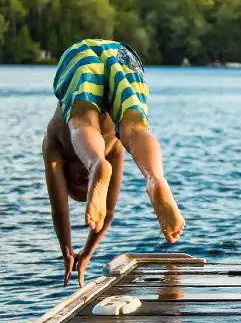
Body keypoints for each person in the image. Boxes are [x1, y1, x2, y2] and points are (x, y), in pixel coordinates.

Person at [43, 39, 185, 286]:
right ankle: (155, 178)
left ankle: (97, 162)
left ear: (66, 173)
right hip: (120, 53)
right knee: (134, 127)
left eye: (80, 181)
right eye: (88, 179)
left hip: (80, 55)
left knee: (83, 120)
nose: (84, 178)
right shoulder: (114, 148)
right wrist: (86, 253)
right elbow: (107, 212)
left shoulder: (54, 145)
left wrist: (67, 249)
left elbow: (59, 209)